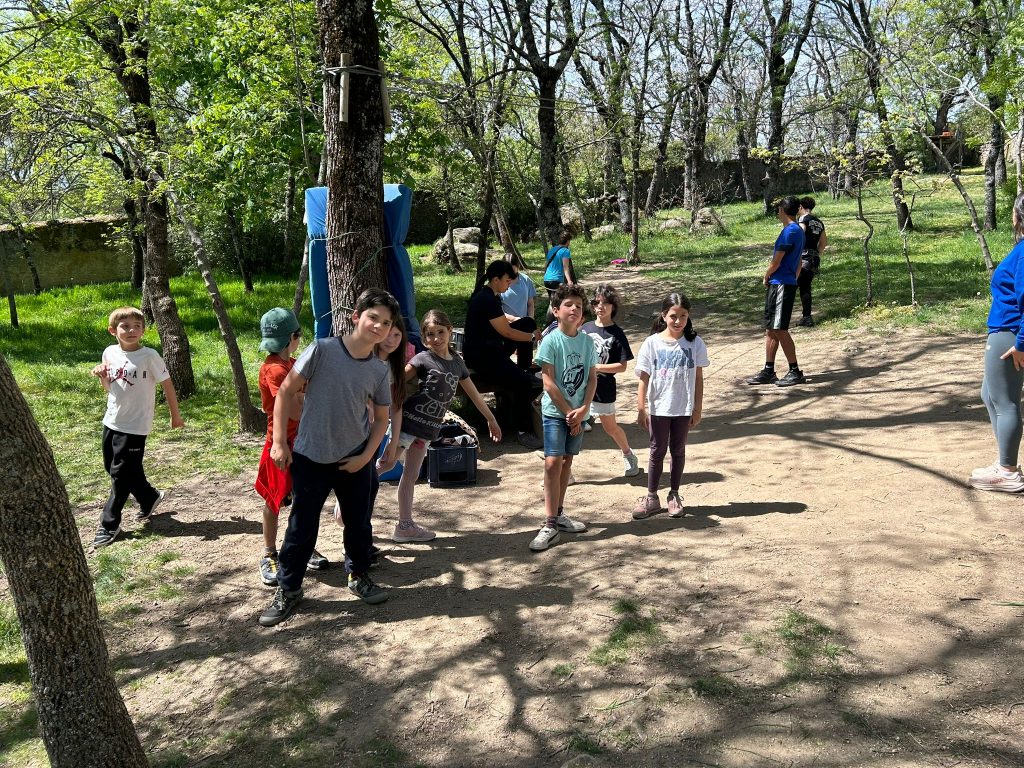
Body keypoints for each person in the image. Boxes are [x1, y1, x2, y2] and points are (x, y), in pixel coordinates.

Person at [259, 288, 397, 627]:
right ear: (356, 317)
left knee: (359, 524)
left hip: (354, 460)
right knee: (301, 526)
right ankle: (289, 588)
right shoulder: (322, 349)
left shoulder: (379, 370)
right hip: (310, 457)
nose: (379, 327)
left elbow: (381, 418)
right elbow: (286, 392)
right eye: (373, 318)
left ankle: (358, 575)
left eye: (386, 323)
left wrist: (366, 458)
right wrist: (279, 442)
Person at [378, 310, 502, 542]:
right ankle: (347, 501)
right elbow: (395, 380)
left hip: (427, 431)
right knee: (386, 464)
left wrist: (491, 418)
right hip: (408, 425)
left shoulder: (457, 363)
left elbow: (474, 394)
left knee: (411, 475)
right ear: (424, 338)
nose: (436, 338)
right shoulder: (422, 359)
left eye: (440, 332)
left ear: (450, 331)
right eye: (430, 334)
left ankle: (405, 526)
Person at [91, 307, 184, 548]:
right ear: (113, 330)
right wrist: (102, 375)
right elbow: (110, 388)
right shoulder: (109, 352)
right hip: (112, 420)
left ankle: (109, 523)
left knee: (120, 475)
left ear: (143, 330)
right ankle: (148, 496)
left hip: (135, 424)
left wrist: (175, 416)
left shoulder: (149, 356)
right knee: (114, 468)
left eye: (137, 326)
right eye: (125, 326)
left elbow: (167, 385)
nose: (132, 330)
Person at [254, 308, 328, 587]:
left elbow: (304, 398)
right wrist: (310, 397)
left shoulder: (294, 365)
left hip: (304, 443)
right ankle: (269, 554)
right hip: (281, 444)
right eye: (297, 336)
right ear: (293, 338)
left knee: (304, 499)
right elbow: (295, 411)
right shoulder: (274, 369)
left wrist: (304, 395)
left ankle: (300, 546)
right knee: (274, 499)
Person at [529, 284, 597, 552]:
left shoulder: (587, 342)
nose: (574, 309)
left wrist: (584, 410)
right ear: (556, 310)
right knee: (552, 462)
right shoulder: (550, 341)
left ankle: (558, 514)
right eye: (569, 305)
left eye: (578, 306)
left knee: (567, 461)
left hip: (579, 414)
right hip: (556, 414)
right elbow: (548, 382)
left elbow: (592, 379)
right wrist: (570, 412)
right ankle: (549, 524)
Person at [632, 293, 708, 519]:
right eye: (673, 316)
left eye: (683, 316)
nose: (678, 321)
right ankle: (651, 497)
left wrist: (697, 408)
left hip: (683, 408)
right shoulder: (652, 343)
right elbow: (643, 378)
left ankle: (674, 495)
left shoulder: (695, 343)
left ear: (688, 316)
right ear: (664, 315)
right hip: (659, 408)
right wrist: (641, 408)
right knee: (657, 451)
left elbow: (698, 378)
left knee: (678, 450)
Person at [971, 192, 1024, 492]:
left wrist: (1022, 343)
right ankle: (1005, 461)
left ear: (1018, 216)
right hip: (1007, 331)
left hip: (1011, 334)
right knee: (989, 395)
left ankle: (1008, 471)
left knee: (1005, 402)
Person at [463, 260, 543, 449]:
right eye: (507, 281)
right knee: (523, 382)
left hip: (493, 348)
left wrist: (529, 332)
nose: (509, 285)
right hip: (483, 358)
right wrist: (532, 338)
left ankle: (524, 368)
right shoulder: (487, 299)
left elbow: (506, 328)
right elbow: (507, 332)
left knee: (527, 323)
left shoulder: (490, 295)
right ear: (496, 279)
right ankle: (524, 431)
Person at [745, 195, 806, 387]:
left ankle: (795, 371)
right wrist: (793, 277)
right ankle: (768, 371)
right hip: (784, 282)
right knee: (771, 328)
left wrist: (767, 275)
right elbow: (798, 261)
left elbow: (776, 261)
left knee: (779, 328)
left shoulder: (790, 231)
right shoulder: (797, 230)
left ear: (781, 210)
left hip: (781, 283)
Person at [581, 284, 640, 477]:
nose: (601, 306)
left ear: (613, 306)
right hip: (580, 387)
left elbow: (622, 366)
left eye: (605, 303)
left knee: (610, 427)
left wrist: (596, 367)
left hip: (604, 389)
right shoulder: (585, 328)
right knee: (572, 427)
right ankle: (563, 467)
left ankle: (628, 454)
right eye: (597, 302)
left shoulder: (617, 333)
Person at [500, 258, 539, 369]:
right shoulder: (499, 284)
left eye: (513, 271)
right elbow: (496, 310)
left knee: (527, 329)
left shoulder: (525, 280)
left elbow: (530, 304)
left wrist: (530, 320)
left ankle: (525, 368)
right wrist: (514, 319)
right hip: (505, 325)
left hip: (524, 324)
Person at [796, 196, 828, 327]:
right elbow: (823, 242)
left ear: (801, 206)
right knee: (805, 287)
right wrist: (816, 253)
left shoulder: (803, 219)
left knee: (792, 286)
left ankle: (783, 318)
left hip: (803, 257)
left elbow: (799, 235)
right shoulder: (819, 222)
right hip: (814, 259)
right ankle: (807, 317)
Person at [542, 230, 576, 320]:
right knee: (558, 302)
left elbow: (546, 264)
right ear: (567, 241)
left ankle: (550, 322)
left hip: (547, 279)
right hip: (556, 280)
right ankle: (553, 322)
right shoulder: (565, 251)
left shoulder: (552, 249)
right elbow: (565, 267)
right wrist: (569, 281)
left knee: (552, 301)